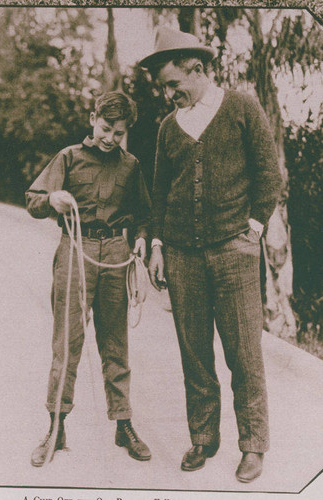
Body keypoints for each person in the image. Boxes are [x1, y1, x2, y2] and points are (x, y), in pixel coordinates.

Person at [140, 27, 282, 482]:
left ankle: (253, 445)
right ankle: (203, 437)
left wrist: (253, 229)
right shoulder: (167, 127)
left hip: (234, 252)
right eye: (164, 87)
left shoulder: (241, 106)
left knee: (244, 353)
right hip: (181, 256)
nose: (168, 94)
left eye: (172, 84)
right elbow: (159, 194)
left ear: (197, 69)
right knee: (194, 353)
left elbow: (270, 174)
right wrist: (158, 245)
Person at [26, 91, 152, 467]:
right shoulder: (68, 157)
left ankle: (123, 423)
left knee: (116, 344)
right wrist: (53, 200)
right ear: (92, 117)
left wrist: (142, 239)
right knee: (68, 342)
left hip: (115, 252)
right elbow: (33, 198)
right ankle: (56, 426)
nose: (110, 138)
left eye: (119, 132)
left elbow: (143, 214)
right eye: (105, 128)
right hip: (74, 250)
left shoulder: (131, 166)